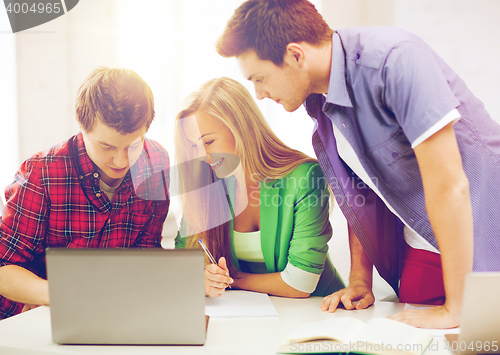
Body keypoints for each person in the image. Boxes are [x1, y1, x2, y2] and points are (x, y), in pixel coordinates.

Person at [215, 0, 500, 328]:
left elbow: (449, 185)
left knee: (481, 336)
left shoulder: (395, 60)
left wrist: (459, 306)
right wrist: (360, 280)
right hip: (424, 247)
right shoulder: (320, 108)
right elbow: (359, 193)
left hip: (484, 232)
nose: (260, 93)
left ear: (296, 54)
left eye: (260, 78)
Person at [0, 67, 170, 319]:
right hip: (34, 317)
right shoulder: (41, 174)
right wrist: (60, 295)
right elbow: (5, 268)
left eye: (134, 145)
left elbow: (146, 251)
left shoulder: (155, 162)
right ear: (83, 127)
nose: (121, 161)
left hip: (112, 313)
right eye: (107, 146)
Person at [174, 77, 344, 298]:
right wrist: (203, 278)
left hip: (318, 311)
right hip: (246, 314)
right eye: (194, 146)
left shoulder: (306, 178)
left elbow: (300, 283)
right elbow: (181, 265)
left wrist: (230, 280)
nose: (200, 156)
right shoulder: (205, 186)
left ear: (241, 129)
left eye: (208, 142)